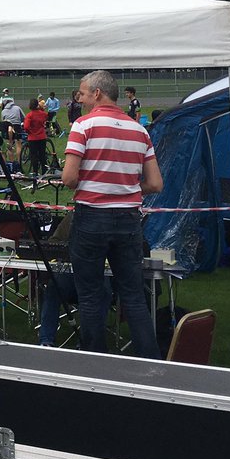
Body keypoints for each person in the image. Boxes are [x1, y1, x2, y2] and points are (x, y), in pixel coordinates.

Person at [61, 70, 163, 359]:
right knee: (133, 295)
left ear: (96, 93)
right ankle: (151, 360)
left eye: (81, 93)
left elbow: (69, 178)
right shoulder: (139, 130)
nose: (78, 99)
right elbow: (155, 183)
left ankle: (95, 363)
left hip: (92, 216)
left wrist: (96, 181)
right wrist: (125, 185)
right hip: (129, 219)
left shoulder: (83, 126)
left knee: (91, 295)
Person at [23, 97, 49, 175]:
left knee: (34, 155)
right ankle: (44, 170)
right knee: (42, 154)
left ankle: (35, 171)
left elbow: (26, 127)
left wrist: (29, 132)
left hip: (32, 138)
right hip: (42, 136)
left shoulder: (29, 115)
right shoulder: (43, 114)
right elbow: (46, 118)